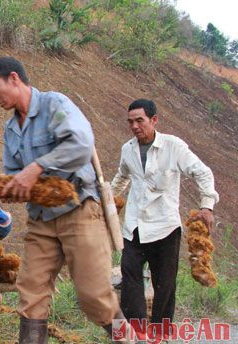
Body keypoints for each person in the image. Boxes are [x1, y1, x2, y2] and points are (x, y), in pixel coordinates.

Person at [0, 56, 126, 343]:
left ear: (14, 78)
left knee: (94, 296)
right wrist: (9, 187)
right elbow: (13, 172)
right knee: (31, 291)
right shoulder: (11, 130)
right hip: (41, 220)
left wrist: (36, 168)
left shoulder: (54, 105)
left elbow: (82, 145)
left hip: (78, 210)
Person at [111, 99, 218, 340]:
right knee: (130, 275)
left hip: (165, 227)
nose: (135, 126)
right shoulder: (128, 149)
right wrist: (106, 198)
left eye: (140, 120)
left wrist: (207, 206)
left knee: (165, 285)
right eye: (131, 122)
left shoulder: (173, 146)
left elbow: (202, 172)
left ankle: (160, 334)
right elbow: (121, 178)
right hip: (135, 226)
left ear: (154, 120)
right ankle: (137, 331)